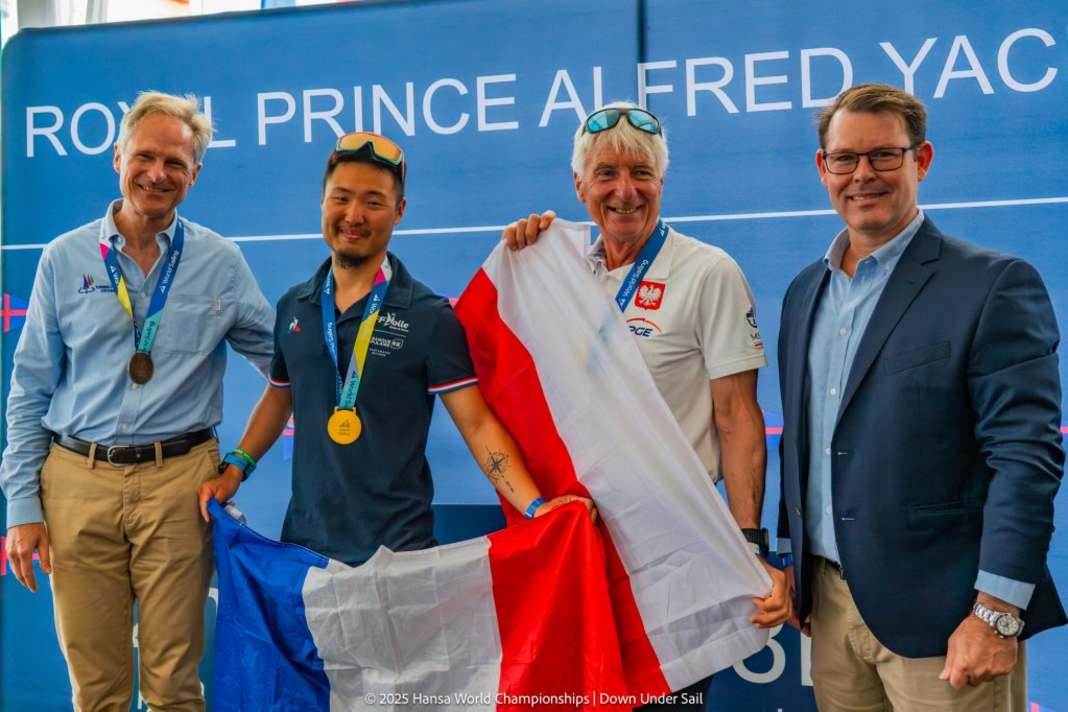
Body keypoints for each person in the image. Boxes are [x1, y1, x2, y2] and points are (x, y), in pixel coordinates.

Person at [776, 82, 1065, 710]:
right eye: (845, 158)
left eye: (884, 155)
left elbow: (1025, 458)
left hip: (950, 620)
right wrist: (793, 563)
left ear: (921, 160)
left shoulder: (992, 285)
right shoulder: (803, 293)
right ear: (823, 168)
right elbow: (803, 444)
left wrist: (996, 614)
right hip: (829, 610)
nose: (863, 175)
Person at [501, 101, 791, 709]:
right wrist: (519, 256)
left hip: (673, 553)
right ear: (579, 185)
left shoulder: (708, 271)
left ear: (662, 181)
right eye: (606, 174)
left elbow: (738, 418)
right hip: (579, 547)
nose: (625, 191)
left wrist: (748, 544)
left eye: (641, 174)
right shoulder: (556, 271)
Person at [198, 132, 592, 568]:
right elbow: (279, 396)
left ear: (400, 210)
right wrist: (236, 467)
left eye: (373, 202)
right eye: (341, 198)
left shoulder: (428, 315)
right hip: (305, 551)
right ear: (322, 201)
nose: (353, 216)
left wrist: (536, 507)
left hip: (398, 557)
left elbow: (477, 425)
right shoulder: (296, 305)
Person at [1, 91, 274, 711]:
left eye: (175, 163)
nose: (157, 173)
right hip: (77, 481)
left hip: (180, 485)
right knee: (96, 690)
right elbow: (29, 389)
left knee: (174, 685)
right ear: (117, 158)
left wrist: (241, 462)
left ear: (194, 174)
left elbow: (286, 367)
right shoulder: (64, 258)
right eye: (145, 157)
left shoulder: (221, 263)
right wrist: (21, 506)